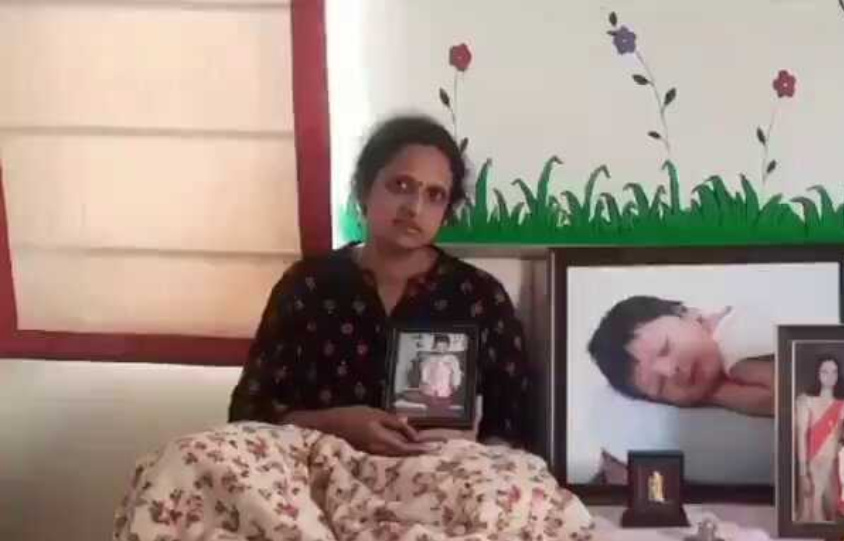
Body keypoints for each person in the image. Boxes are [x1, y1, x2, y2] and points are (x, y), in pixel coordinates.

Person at [228, 114, 533, 455]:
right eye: (400, 185)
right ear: (365, 188)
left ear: (446, 212)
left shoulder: (479, 296)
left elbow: (512, 426)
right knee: (198, 454)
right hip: (311, 467)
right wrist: (337, 426)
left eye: (435, 195)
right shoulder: (307, 286)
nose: (414, 207)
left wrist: (463, 446)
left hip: (439, 470)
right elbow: (247, 413)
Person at [586, 295, 774, 417]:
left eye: (665, 348)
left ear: (687, 314)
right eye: (661, 385)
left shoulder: (734, 338)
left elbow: (777, 397)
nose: (671, 371)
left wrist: (714, 394)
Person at [794, 355, 844, 522]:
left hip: (837, 465)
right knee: (813, 513)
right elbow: (801, 437)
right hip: (814, 465)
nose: (830, 376)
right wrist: (802, 473)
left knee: (837, 514)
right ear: (817, 374)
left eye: (834, 372)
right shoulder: (805, 400)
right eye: (825, 371)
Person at [418, 334, 463, 401]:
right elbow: (425, 370)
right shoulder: (429, 358)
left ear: (448, 346)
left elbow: (456, 372)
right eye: (438, 346)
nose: (441, 348)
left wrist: (455, 383)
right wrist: (424, 381)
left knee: (443, 400)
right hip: (431, 386)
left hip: (445, 386)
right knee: (429, 398)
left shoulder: (452, 358)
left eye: (444, 346)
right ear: (435, 346)